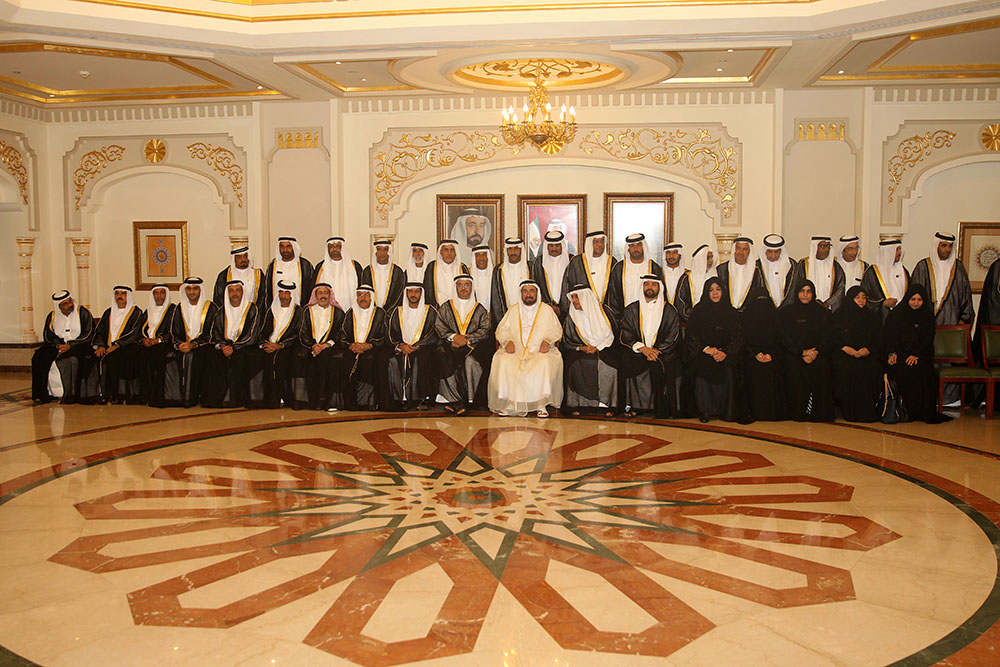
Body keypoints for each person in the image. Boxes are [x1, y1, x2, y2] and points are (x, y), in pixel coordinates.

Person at [488, 280, 563, 417]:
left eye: (532, 291)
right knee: (503, 360)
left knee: (545, 362)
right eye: (525, 291)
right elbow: (502, 329)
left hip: (540, 350)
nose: (528, 294)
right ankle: (511, 403)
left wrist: (547, 340)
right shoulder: (513, 310)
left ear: (537, 293)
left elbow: (556, 330)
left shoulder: (546, 310)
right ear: (521, 293)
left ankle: (541, 403)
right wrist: (507, 341)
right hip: (516, 350)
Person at [884, 285, 951, 423]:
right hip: (900, 354)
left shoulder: (927, 316)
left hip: (921, 355)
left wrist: (916, 354)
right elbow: (889, 338)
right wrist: (892, 353)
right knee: (903, 369)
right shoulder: (896, 315)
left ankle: (920, 412)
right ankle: (905, 411)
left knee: (921, 371)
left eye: (919, 300)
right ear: (907, 299)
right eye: (913, 299)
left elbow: (927, 340)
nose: (915, 303)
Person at [619, 274, 682, 418]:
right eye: (646, 284)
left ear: (660, 288)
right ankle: (635, 406)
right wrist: (643, 348)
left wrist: (656, 351)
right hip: (638, 351)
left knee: (662, 366)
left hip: (663, 352)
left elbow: (673, 335)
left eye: (654, 284)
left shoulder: (669, 310)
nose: (650, 287)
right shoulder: (632, 309)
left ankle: (660, 408)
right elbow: (626, 334)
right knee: (627, 362)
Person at [685, 277, 744, 422]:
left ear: (723, 291)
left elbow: (738, 337)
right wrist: (706, 349)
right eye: (711, 290)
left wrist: (725, 352)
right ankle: (705, 411)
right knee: (703, 368)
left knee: (729, 369)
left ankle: (726, 411)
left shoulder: (731, 312)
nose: (715, 293)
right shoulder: (698, 311)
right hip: (703, 352)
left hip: (726, 354)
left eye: (718, 289)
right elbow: (691, 335)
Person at [779, 280, 835, 422]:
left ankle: (819, 412)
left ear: (813, 294)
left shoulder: (821, 312)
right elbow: (784, 337)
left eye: (808, 291)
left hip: (817, 353)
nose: (805, 295)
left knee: (823, 366)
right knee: (792, 366)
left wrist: (815, 352)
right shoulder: (787, 312)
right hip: (795, 353)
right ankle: (798, 411)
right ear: (796, 293)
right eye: (802, 291)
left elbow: (827, 336)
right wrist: (801, 352)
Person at [436, 274, 492, 415]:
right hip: (451, 343)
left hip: (474, 345)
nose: (463, 288)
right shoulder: (446, 307)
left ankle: (469, 400)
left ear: (471, 287)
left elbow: (485, 329)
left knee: (470, 361)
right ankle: (454, 400)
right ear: (455, 287)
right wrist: (454, 337)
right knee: (444, 358)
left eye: (467, 285)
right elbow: (439, 326)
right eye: (460, 285)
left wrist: (468, 339)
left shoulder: (479, 308)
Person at [562, 283, 622, 416]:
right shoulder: (571, 317)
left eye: (577, 297)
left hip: (606, 348)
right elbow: (567, 340)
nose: (574, 301)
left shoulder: (604, 312)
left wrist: (598, 348)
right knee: (576, 364)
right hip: (581, 351)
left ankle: (608, 405)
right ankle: (579, 404)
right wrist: (581, 348)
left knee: (609, 366)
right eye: (572, 297)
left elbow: (613, 335)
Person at [202, 279, 262, 408]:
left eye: (237, 290)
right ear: (227, 293)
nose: (235, 293)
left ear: (242, 292)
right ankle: (215, 399)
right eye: (231, 290)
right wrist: (223, 346)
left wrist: (234, 347)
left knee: (238, 359)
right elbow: (215, 332)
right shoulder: (220, 311)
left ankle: (233, 398)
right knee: (212, 357)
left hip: (244, 346)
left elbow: (252, 335)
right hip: (225, 345)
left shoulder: (252, 309)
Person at [31, 290, 95, 404]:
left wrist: (70, 345)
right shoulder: (52, 316)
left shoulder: (82, 312)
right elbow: (48, 335)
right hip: (58, 345)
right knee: (39, 357)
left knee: (70, 359)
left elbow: (89, 334)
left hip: (79, 344)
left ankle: (71, 394)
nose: (70, 305)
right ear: (59, 306)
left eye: (70, 301)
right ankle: (42, 394)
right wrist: (58, 345)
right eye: (65, 304)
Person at [830, 286, 884, 422]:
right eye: (857, 297)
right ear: (850, 299)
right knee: (848, 369)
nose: (861, 300)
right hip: (845, 353)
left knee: (870, 368)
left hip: (867, 354)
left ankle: (867, 410)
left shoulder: (872, 316)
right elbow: (833, 338)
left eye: (864, 297)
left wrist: (868, 350)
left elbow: (879, 339)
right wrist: (846, 348)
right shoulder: (840, 315)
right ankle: (849, 410)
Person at [385, 283, 439, 411]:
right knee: (392, 360)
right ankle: (400, 399)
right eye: (410, 291)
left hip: (422, 348)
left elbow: (435, 333)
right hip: (401, 349)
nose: (413, 295)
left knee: (422, 358)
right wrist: (400, 346)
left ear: (421, 293)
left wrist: (417, 346)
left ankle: (421, 398)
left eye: (416, 291)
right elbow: (390, 334)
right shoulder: (396, 311)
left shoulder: (430, 311)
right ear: (406, 293)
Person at [294, 282, 346, 411]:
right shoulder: (307, 311)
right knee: (300, 360)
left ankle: (325, 401)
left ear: (330, 295)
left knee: (328, 361)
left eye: (326, 293)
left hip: (329, 347)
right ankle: (308, 402)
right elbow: (302, 331)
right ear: (315, 295)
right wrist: (313, 346)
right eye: (320, 293)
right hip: (309, 347)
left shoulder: (338, 313)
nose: (323, 296)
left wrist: (326, 345)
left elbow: (340, 333)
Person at [89, 285, 143, 404]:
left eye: (123, 293)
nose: (119, 296)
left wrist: (117, 345)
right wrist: (100, 345)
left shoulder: (136, 312)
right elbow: (100, 331)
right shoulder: (108, 312)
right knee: (91, 358)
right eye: (117, 293)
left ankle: (117, 395)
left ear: (128, 296)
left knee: (114, 359)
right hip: (107, 347)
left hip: (127, 346)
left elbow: (134, 333)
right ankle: (96, 395)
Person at [339, 284, 389, 410]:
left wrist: (370, 345)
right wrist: (350, 345)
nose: (363, 298)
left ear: (371, 297)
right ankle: (350, 403)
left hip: (373, 349)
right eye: (360, 295)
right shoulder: (350, 313)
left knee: (370, 362)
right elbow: (342, 335)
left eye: (366, 295)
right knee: (345, 361)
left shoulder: (380, 313)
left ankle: (368, 402)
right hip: (353, 349)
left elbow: (385, 336)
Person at [171, 277, 218, 407]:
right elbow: (174, 331)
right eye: (189, 289)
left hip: (203, 345)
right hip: (182, 346)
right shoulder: (179, 308)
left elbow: (211, 332)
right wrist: (179, 344)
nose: (192, 292)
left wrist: (194, 344)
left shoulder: (210, 307)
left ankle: (192, 397)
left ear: (200, 290)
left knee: (194, 357)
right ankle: (176, 397)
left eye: (195, 288)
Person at [254, 280, 302, 409]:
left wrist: (280, 345)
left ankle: (280, 398)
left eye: (287, 293)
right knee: (256, 358)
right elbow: (263, 331)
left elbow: (298, 334)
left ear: (292, 295)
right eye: (281, 292)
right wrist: (265, 344)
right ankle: (260, 398)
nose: (283, 296)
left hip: (288, 347)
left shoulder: (298, 312)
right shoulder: (271, 310)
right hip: (269, 346)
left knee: (280, 359)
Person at [741, 287, 786, 421]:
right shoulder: (746, 317)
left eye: (764, 299)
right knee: (753, 369)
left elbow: (781, 340)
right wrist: (755, 354)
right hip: (751, 355)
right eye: (758, 299)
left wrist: (772, 354)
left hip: (772, 355)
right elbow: (743, 340)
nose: (761, 303)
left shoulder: (776, 318)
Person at [911, 231, 975, 326]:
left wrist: (964, 319)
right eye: (944, 246)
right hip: (925, 323)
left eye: (950, 246)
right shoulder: (923, 267)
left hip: (952, 321)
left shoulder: (958, 267)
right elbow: (914, 295)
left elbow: (966, 296)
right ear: (936, 246)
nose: (948, 249)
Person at [136, 284, 179, 407]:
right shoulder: (148, 311)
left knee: (156, 356)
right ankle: (144, 396)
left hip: (165, 344)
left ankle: (158, 396)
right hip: (148, 344)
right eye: (156, 293)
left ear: (166, 294)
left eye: (162, 292)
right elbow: (139, 330)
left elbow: (174, 330)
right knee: (140, 355)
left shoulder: (173, 310)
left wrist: (159, 340)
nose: (159, 296)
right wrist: (144, 340)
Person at [607, 233, 663, 317]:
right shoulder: (619, 268)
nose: (636, 249)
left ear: (643, 246)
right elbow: (613, 296)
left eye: (639, 245)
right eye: (632, 246)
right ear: (628, 248)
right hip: (624, 317)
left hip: (649, 317)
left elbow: (660, 294)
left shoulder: (654, 268)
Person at [564, 231, 617, 309]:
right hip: (583, 310)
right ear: (589, 243)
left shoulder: (612, 262)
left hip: (606, 311)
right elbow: (568, 286)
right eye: (596, 241)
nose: (600, 244)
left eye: (602, 241)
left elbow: (616, 291)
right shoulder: (577, 262)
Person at [793, 235, 845, 311]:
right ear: (815, 247)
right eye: (823, 246)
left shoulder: (835, 266)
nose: (826, 249)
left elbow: (840, 288)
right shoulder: (803, 264)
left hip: (828, 309)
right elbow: (798, 286)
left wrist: (829, 303)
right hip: (807, 307)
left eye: (828, 246)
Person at [861, 239, 908, 321]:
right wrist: (882, 303)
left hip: (902, 318)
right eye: (896, 249)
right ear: (888, 252)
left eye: (900, 249)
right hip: (880, 319)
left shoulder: (903, 271)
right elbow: (864, 298)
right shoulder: (872, 272)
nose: (900, 252)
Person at [313, 236, 362, 311]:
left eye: (338, 246)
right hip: (328, 311)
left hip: (350, 309)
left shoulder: (354, 266)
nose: (334, 249)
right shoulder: (320, 267)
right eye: (331, 247)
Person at [490, 237, 529, 326]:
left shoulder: (530, 268)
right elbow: (495, 298)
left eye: (516, 249)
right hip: (505, 320)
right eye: (510, 249)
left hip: (527, 319)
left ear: (521, 250)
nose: (513, 252)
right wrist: (503, 322)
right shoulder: (498, 270)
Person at [531, 229, 572, 312]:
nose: (554, 249)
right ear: (547, 247)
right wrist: (548, 306)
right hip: (544, 309)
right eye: (551, 246)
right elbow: (535, 286)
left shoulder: (571, 261)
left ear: (562, 246)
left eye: (557, 245)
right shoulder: (538, 262)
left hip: (569, 309)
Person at [716, 237, 761, 311]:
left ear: (749, 252)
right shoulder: (722, 269)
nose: (741, 252)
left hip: (748, 313)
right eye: (738, 248)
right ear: (734, 250)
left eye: (745, 249)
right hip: (725, 312)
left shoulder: (756, 272)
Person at [265, 236, 313, 306]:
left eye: (288, 246)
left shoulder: (305, 265)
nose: (285, 250)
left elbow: (311, 289)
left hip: (299, 309)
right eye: (282, 246)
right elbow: (267, 290)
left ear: (294, 247)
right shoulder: (273, 265)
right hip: (277, 309)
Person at [361, 239, 406, 312]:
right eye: (379, 249)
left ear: (389, 252)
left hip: (392, 312)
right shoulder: (367, 271)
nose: (382, 253)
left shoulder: (397, 272)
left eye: (385, 249)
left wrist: (389, 311)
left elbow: (399, 295)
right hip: (371, 312)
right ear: (375, 252)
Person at [423, 239, 469, 308]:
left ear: (456, 253)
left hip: (459, 309)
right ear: (441, 252)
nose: (449, 253)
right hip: (436, 309)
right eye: (446, 250)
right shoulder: (432, 267)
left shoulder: (462, 268)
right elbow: (428, 292)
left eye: (452, 250)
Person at [757, 234, 797, 308]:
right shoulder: (757, 266)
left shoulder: (791, 265)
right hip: (764, 308)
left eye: (776, 252)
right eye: (770, 252)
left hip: (787, 308)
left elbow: (794, 288)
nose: (773, 255)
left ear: (781, 251)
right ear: (765, 251)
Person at [662, 242, 693, 321]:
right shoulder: (658, 274)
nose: (671, 256)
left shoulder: (688, 276)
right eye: (668, 253)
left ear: (680, 255)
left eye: (675, 252)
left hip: (683, 320)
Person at [469, 245, 494, 314]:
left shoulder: (496, 277)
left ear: (488, 257)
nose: (481, 258)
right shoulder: (468, 278)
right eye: (478, 255)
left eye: (484, 255)